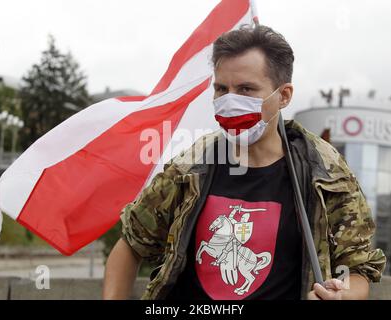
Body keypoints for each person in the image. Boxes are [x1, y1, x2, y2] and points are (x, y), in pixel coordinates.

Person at [103, 24, 386, 300]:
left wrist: (343, 293)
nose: (229, 101)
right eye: (221, 89)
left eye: (246, 89)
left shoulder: (326, 171)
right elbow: (131, 243)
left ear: (284, 96)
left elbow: (357, 267)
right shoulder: (190, 166)